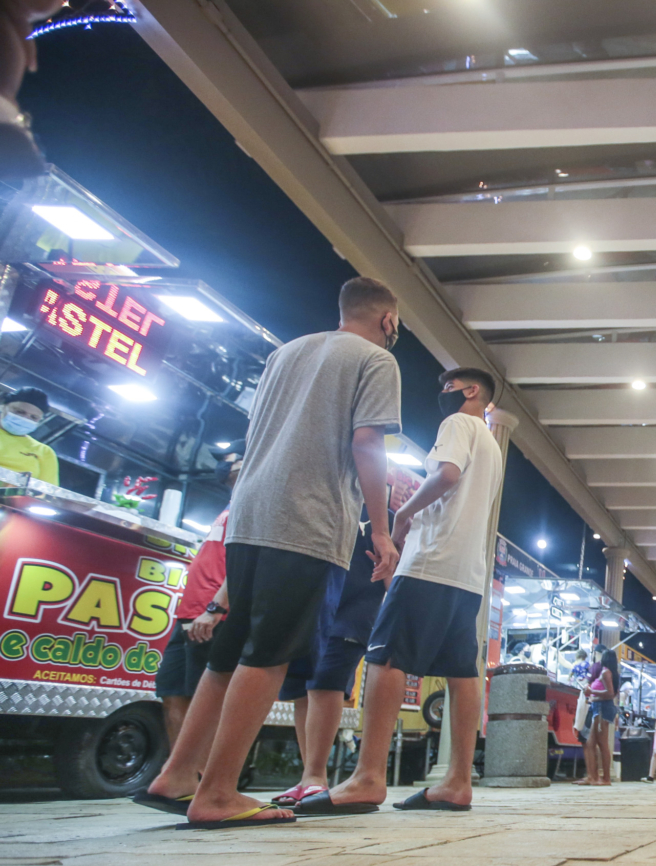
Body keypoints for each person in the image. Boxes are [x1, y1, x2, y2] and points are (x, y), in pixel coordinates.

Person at [142, 277, 402, 828]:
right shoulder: (377, 361)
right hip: (306, 521)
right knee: (270, 654)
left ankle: (178, 774)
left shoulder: (286, 352)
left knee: (227, 654)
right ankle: (217, 794)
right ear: (388, 320)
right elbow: (367, 442)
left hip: (250, 515)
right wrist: (380, 530)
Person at [306, 365, 504, 815]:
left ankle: (368, 777)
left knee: (386, 656)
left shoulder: (458, 423)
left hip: (430, 560)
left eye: (449, 387)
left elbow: (447, 474)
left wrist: (403, 514)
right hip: (467, 573)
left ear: (471, 391)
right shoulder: (492, 445)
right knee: (462, 671)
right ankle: (456, 781)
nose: (443, 394)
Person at [273, 518, 388, 807]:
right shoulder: (320, 506)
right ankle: (310, 775)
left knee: (325, 681)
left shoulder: (379, 516)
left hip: (354, 606)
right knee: (302, 684)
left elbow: (393, 567)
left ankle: (314, 777)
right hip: (314, 595)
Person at [149, 458, 239, 751]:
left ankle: (204, 779)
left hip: (214, 615)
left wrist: (215, 608)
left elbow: (243, 562)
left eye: (231, 459)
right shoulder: (227, 507)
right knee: (172, 691)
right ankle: (180, 776)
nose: (224, 465)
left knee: (207, 700)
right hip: (188, 612)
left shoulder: (253, 504)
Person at [578, 648, 618, 786]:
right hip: (599, 708)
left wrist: (591, 691)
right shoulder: (610, 673)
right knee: (591, 743)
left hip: (601, 710)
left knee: (602, 743)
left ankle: (605, 778)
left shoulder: (606, 673)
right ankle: (594, 776)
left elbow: (610, 693)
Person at [0, 386, 58, 483]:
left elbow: (45, 493)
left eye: (34, 417)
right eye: (19, 412)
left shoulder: (44, 452)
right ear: (3, 406)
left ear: (39, 421)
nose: (25, 418)